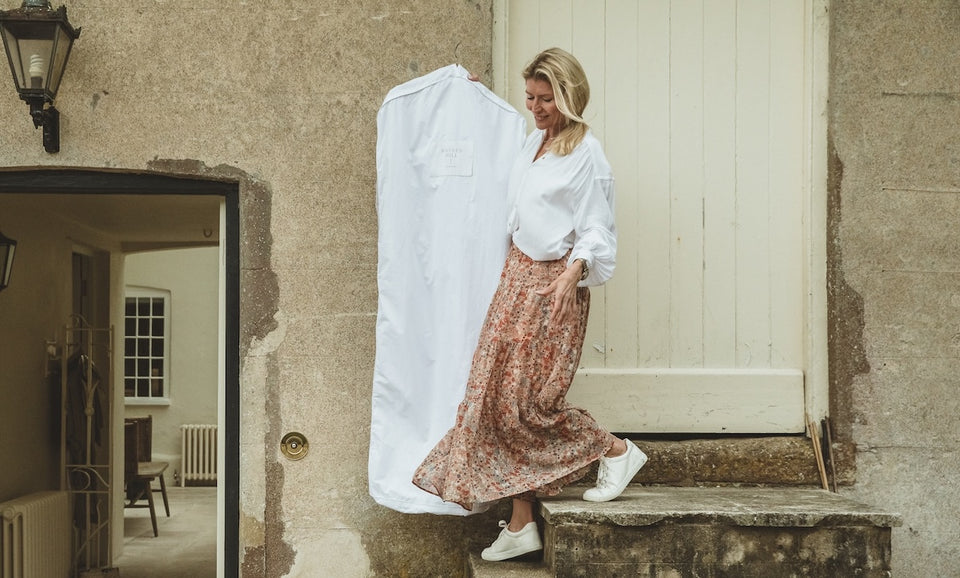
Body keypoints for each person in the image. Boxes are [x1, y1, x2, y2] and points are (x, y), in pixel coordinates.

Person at [411, 47, 647, 562]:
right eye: (530, 97)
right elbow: (496, 159)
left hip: (550, 288)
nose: (535, 107)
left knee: (528, 406)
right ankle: (521, 523)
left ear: (569, 97)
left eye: (546, 99)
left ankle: (615, 450)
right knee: (495, 398)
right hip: (514, 279)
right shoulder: (533, 143)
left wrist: (573, 273)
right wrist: (468, 97)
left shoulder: (587, 154)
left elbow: (598, 228)